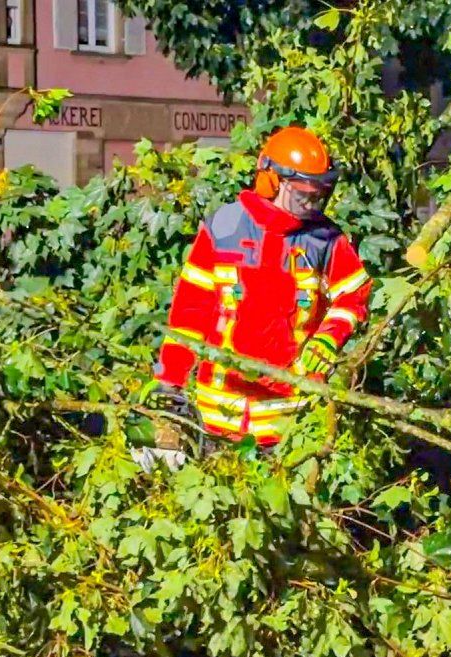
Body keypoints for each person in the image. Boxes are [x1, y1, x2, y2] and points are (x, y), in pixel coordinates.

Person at [138, 126, 372, 467]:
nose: (310, 205)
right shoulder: (225, 228)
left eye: (319, 196)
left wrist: (328, 339)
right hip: (218, 415)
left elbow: (354, 294)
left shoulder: (326, 240)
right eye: (302, 195)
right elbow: (190, 311)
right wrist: (168, 385)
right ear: (271, 181)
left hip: (290, 422)